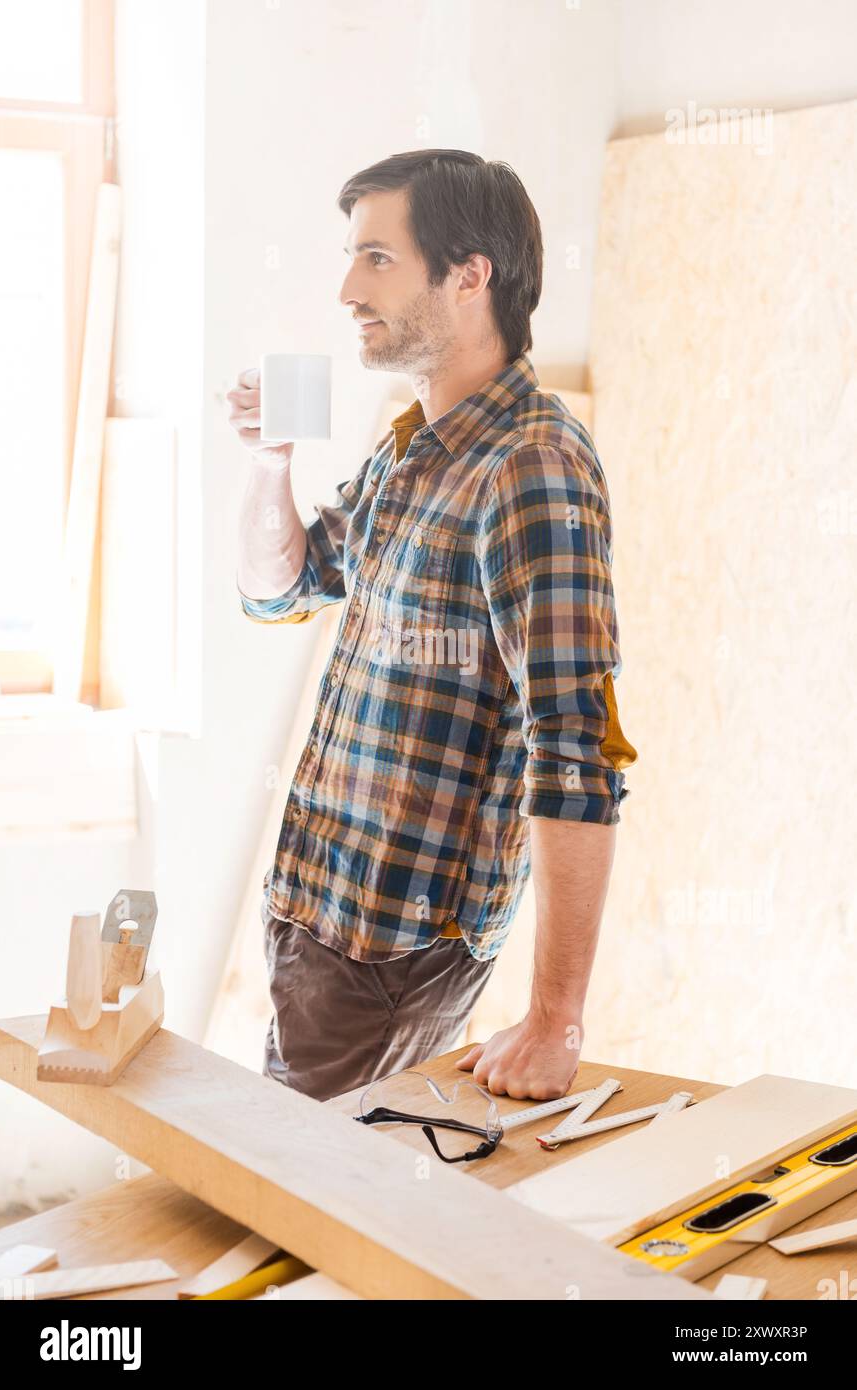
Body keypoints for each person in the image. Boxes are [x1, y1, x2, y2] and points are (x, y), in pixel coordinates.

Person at [226, 149, 637, 1104]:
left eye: (375, 259)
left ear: (468, 276)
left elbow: (578, 751)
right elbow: (278, 588)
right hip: (317, 914)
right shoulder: (414, 445)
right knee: (311, 1204)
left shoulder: (530, 466)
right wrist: (266, 464)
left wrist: (554, 1019)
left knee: (305, 1216)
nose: (345, 288)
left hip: (391, 948)